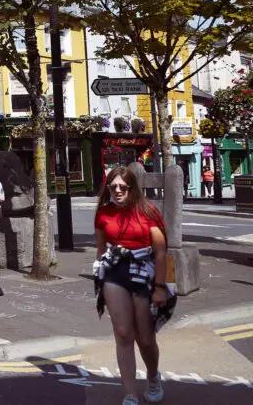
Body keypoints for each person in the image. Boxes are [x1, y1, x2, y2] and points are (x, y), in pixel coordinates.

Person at [94, 166, 174, 405]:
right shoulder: (103, 213)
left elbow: (161, 252)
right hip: (114, 273)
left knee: (146, 337)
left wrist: (161, 287)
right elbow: (101, 250)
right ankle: (130, 393)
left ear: (132, 188)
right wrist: (98, 277)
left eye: (122, 187)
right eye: (113, 187)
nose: (117, 191)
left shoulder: (147, 211)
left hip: (144, 274)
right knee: (123, 334)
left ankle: (152, 376)